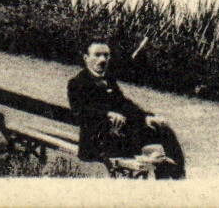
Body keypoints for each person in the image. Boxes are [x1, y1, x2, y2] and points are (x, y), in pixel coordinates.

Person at [67, 37, 186, 179]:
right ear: (86, 58)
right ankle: (163, 170)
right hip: (96, 142)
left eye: (106, 55)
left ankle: (178, 175)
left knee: (163, 130)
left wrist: (145, 117)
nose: (103, 60)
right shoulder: (77, 83)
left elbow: (123, 104)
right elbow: (80, 113)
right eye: (97, 55)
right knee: (155, 155)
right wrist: (107, 114)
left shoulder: (109, 80)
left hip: (118, 134)